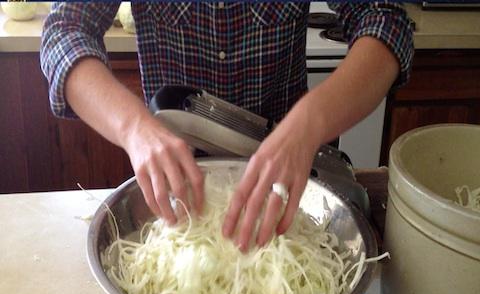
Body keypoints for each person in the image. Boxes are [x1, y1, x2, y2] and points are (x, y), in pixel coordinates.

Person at [40, 2, 413, 251]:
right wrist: (134, 128)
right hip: (174, 201)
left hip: (288, 201)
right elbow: (64, 32)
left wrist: (309, 123)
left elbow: (386, 19)